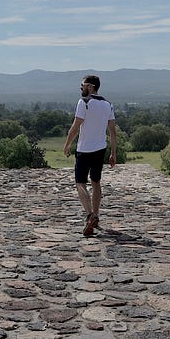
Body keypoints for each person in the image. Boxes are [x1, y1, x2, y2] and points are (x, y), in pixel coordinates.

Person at [63, 74, 117, 237]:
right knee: (96, 182)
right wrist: (114, 153)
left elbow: (75, 126)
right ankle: (97, 215)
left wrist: (67, 145)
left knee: (80, 183)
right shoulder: (108, 104)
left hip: (84, 149)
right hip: (100, 149)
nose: (81, 87)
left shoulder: (83, 103)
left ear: (91, 87)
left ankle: (89, 215)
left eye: (83, 85)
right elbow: (113, 132)